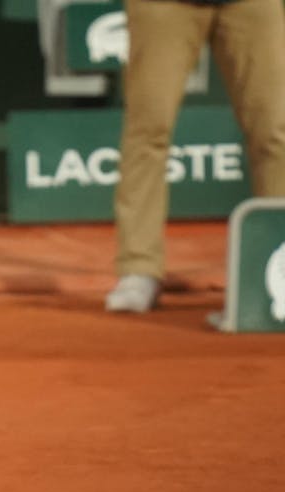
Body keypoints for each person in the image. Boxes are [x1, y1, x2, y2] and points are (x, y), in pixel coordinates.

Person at [107, 0, 285, 312]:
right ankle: (139, 268)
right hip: (163, 6)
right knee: (148, 130)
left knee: (275, 132)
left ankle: (278, 262)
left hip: (250, 4)